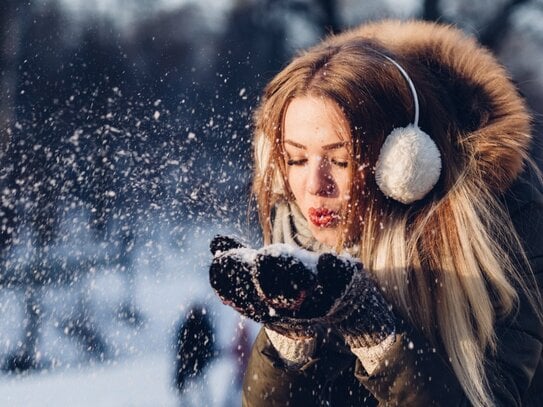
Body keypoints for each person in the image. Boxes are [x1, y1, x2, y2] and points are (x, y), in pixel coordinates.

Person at [208, 19, 543, 406]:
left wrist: (377, 335)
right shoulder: (297, 233)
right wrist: (290, 341)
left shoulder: (508, 230)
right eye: (296, 159)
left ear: (403, 164)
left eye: (340, 159)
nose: (315, 186)